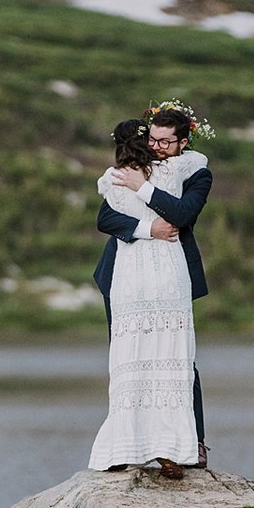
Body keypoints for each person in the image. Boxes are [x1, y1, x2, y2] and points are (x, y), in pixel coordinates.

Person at [89, 104, 213, 477]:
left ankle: (191, 443)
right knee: (127, 356)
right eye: (152, 139)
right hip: (123, 275)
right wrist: (148, 229)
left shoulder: (196, 172)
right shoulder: (132, 168)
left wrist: (145, 191)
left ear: (183, 141)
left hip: (170, 275)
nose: (156, 147)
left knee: (178, 360)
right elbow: (106, 217)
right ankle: (126, 443)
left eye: (164, 141)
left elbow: (183, 213)